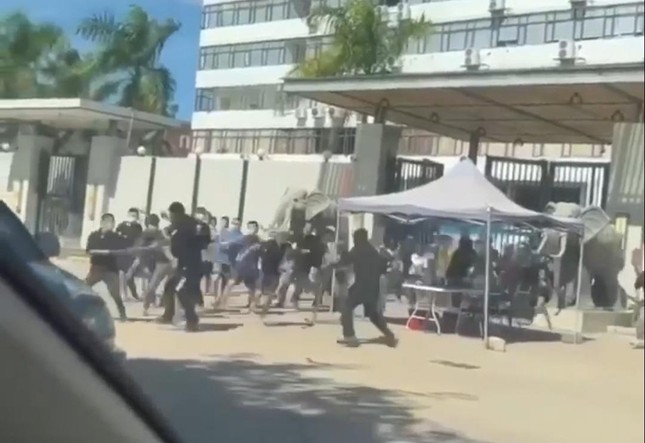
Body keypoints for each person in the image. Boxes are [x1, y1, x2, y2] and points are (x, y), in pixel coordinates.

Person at [335, 228, 397, 348]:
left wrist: (339, 257)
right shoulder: (373, 251)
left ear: (358, 238)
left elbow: (345, 261)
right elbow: (383, 266)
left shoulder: (359, 249)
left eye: (354, 237)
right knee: (372, 314)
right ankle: (388, 334)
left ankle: (349, 336)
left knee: (346, 308)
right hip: (373, 287)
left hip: (361, 287)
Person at [157, 202, 209, 332]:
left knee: (181, 289)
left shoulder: (191, 225)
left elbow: (204, 241)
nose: (171, 217)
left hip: (190, 264)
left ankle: (192, 320)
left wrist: (188, 246)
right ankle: (169, 315)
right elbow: (170, 234)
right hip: (181, 263)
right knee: (170, 287)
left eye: (171, 215)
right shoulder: (178, 224)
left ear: (176, 213)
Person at [126, 214, 173, 316]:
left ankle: (149, 305)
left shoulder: (148, 234)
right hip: (163, 261)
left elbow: (139, 250)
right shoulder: (157, 233)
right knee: (159, 285)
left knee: (153, 285)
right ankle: (153, 304)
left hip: (160, 262)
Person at [85, 213, 127, 321]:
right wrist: (101, 252)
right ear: (102, 223)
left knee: (115, 294)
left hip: (110, 269)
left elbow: (122, 249)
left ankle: (122, 313)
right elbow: (89, 250)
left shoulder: (116, 237)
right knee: (84, 287)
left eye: (112, 222)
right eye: (109, 222)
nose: (111, 224)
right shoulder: (94, 236)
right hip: (96, 268)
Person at [216, 221, 262, 311]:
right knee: (231, 283)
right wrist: (221, 244)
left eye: (255, 227)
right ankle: (222, 303)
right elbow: (231, 243)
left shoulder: (259, 240)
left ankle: (252, 306)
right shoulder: (244, 238)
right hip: (241, 264)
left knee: (251, 287)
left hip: (252, 266)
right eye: (251, 227)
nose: (253, 229)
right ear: (248, 228)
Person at [116, 207, 143, 300]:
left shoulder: (138, 227)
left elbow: (140, 239)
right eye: (132, 215)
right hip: (123, 251)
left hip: (133, 252)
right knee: (122, 273)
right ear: (128, 215)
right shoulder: (122, 225)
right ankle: (123, 294)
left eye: (135, 216)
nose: (133, 217)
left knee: (129, 274)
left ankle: (134, 294)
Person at [258, 231, 287, 315]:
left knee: (264, 290)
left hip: (264, 270)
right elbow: (280, 259)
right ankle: (265, 307)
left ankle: (261, 305)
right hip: (274, 272)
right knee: (270, 291)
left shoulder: (263, 246)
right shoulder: (277, 248)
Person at [194, 207, 213, 306]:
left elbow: (207, 241)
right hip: (191, 255)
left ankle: (198, 301)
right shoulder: (190, 225)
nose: (201, 217)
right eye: (200, 214)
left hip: (201, 256)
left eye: (203, 215)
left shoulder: (205, 227)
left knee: (196, 279)